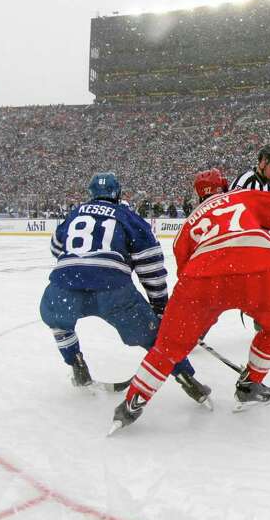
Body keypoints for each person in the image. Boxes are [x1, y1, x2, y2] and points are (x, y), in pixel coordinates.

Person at [109, 168, 270, 434]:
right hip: (260, 269)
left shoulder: (186, 227)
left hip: (200, 280)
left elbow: (184, 270)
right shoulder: (244, 197)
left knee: (167, 347)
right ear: (224, 186)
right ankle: (250, 384)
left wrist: (199, 311)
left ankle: (132, 402)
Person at [39, 172, 211, 407]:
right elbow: (151, 266)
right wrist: (159, 305)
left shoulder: (75, 213)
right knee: (155, 339)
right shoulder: (127, 216)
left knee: (58, 320)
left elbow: (56, 246)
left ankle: (76, 363)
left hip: (65, 286)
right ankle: (187, 378)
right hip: (112, 289)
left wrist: (79, 264)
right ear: (117, 194)